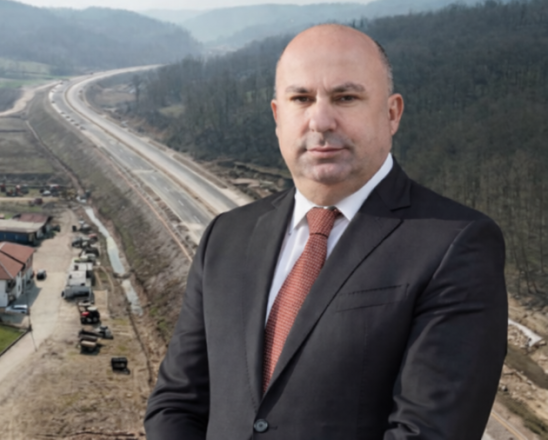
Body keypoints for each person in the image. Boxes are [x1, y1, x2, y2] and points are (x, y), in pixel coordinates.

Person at [145, 24, 507, 440]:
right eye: (301, 99)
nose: (320, 120)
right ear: (278, 116)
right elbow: (176, 403)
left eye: (345, 97)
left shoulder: (455, 243)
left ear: (392, 113)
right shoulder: (226, 236)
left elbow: (427, 432)